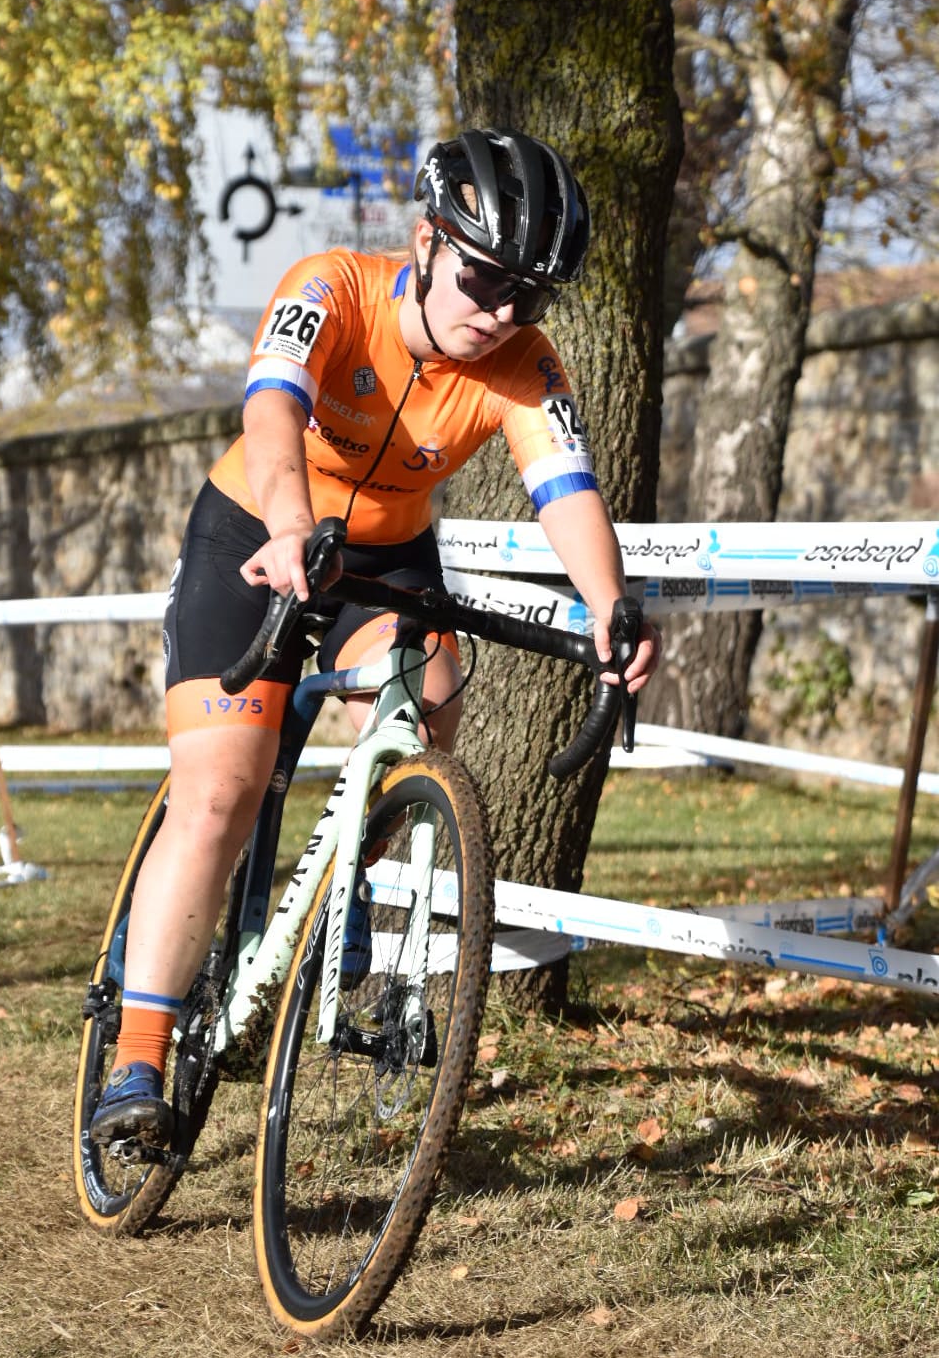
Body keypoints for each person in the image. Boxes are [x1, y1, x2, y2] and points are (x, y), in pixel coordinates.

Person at [90, 125, 661, 1148]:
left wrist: (610, 603)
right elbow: (273, 412)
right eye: (484, 279)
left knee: (427, 705)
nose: (498, 314)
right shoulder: (334, 287)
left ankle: (342, 885)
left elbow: (565, 487)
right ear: (425, 240)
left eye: (526, 297)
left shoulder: (525, 366)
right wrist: (289, 526)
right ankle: (137, 1058)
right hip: (257, 529)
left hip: (385, 560)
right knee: (221, 788)